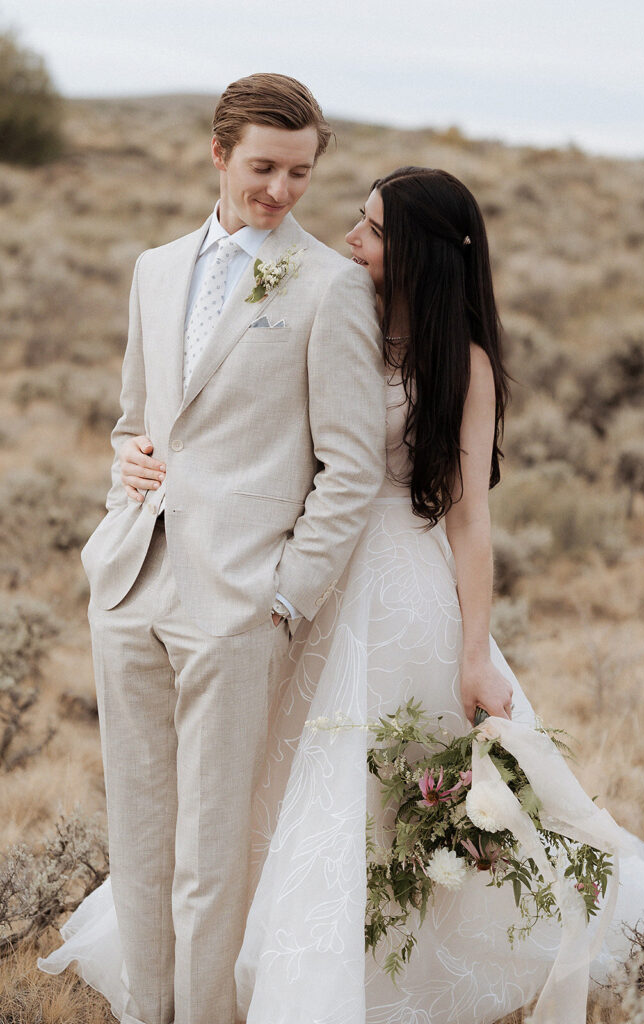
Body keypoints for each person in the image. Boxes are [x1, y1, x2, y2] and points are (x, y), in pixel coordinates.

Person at [40, 168, 644, 1023]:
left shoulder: (466, 363)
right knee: (263, 780)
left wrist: (474, 653)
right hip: (299, 570)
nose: (350, 238)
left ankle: (379, 971)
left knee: (383, 788)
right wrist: (141, 456)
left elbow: (468, 520)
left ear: (414, 249)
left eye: (371, 229)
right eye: (356, 221)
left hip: (402, 590)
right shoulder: (327, 309)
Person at [40, 73, 387, 1024]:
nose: (279, 191)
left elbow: (350, 468)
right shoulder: (154, 269)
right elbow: (130, 419)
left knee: (209, 855)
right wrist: (130, 461)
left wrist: (286, 598)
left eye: (301, 174)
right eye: (264, 167)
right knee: (140, 843)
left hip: (239, 606)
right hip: (130, 587)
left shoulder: (328, 287)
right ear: (218, 154)